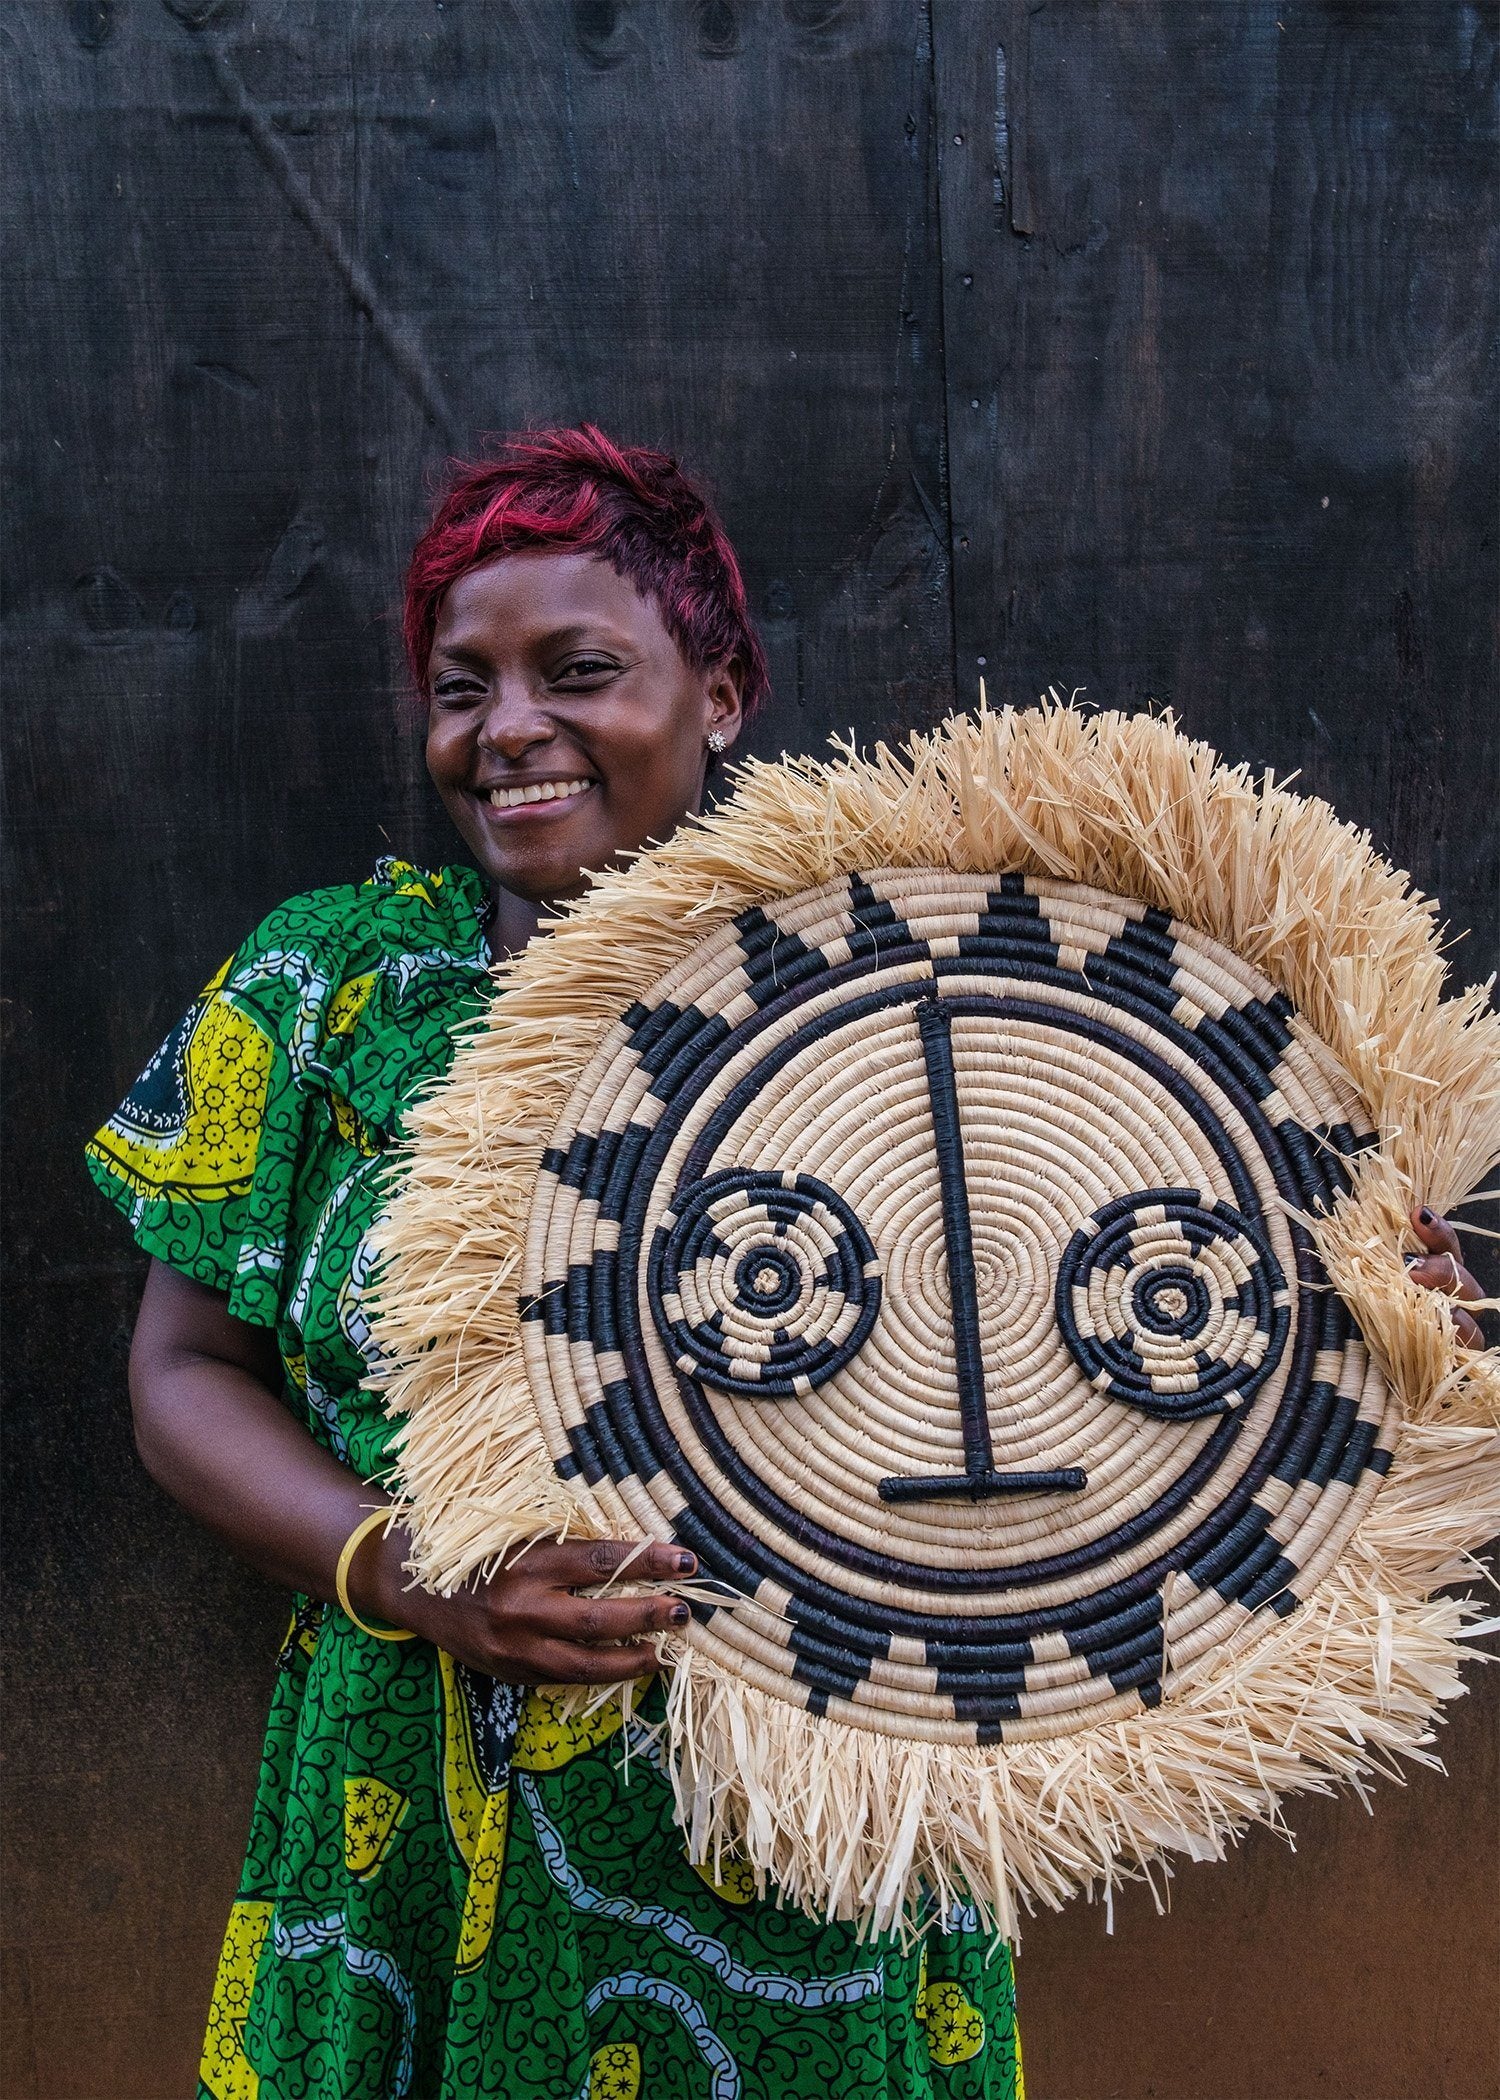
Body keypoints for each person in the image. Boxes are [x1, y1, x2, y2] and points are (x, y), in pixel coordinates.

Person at [88, 426, 1486, 2100]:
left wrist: (1370, 1324)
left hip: (809, 1826)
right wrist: (399, 1570)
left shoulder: (913, 978)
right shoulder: (327, 994)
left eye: (580, 670)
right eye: (463, 687)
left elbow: (1124, 1305)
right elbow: (183, 1373)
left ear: (722, 689)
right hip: (412, 1803)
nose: (510, 729)